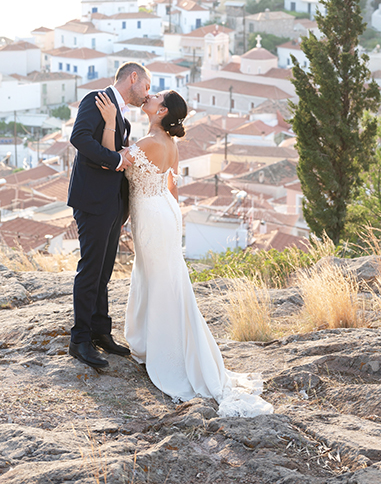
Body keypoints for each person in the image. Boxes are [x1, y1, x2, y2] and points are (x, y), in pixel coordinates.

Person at [95, 88, 273, 416]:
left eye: (156, 96)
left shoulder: (150, 143)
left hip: (152, 214)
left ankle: (165, 352)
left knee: (158, 279)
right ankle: (153, 342)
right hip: (162, 211)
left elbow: (112, 161)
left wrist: (108, 122)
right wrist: (172, 219)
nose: (150, 96)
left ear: (162, 111)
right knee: (161, 277)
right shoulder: (169, 143)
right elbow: (172, 185)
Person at [67, 62, 151, 369]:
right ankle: (79, 340)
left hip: (112, 204)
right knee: (90, 270)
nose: (147, 93)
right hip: (92, 201)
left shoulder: (121, 113)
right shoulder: (96, 99)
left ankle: (101, 331)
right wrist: (116, 159)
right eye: (147, 85)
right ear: (133, 78)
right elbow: (80, 138)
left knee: (103, 272)